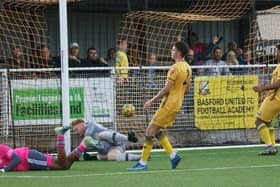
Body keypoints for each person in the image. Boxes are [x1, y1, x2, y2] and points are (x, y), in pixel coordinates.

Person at [128, 41, 192, 171]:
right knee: (157, 130)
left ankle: (143, 163)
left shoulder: (174, 68)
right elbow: (188, 89)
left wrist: (151, 101)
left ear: (179, 52)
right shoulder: (188, 67)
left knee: (149, 130)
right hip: (177, 104)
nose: (171, 51)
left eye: (173, 49)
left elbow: (166, 89)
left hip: (169, 104)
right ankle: (173, 156)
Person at [0, 126, 95, 172]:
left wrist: (6, 169)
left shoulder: (1, 148)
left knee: (61, 166)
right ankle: (83, 145)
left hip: (28, 158)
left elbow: (17, 159)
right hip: (30, 161)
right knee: (65, 165)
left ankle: (60, 135)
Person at [252, 44, 280, 155]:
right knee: (267, 121)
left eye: (278, 51)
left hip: (275, 99)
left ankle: (269, 146)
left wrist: (262, 88)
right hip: (275, 98)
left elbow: (278, 83)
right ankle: (272, 146)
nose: (276, 54)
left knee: (258, 120)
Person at [71, 119, 140, 161]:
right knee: (111, 157)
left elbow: (85, 140)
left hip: (115, 143)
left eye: (76, 129)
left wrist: (75, 155)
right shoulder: (84, 138)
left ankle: (128, 138)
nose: (76, 133)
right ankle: (140, 157)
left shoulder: (90, 125)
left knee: (101, 135)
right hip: (107, 150)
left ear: (82, 125)